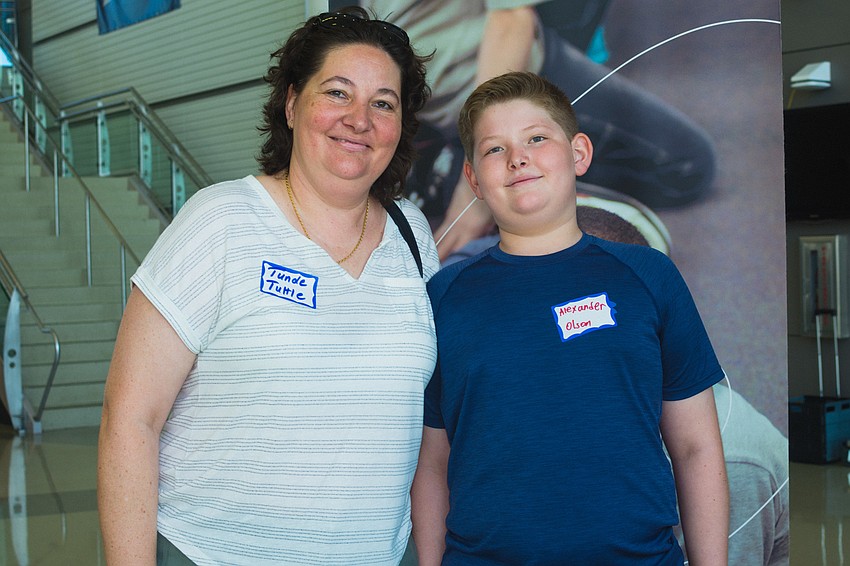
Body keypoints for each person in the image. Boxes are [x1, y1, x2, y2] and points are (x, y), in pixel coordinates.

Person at [98, 7, 439, 565]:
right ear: (291, 102)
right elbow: (130, 418)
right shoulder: (221, 222)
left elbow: (424, 431)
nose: (360, 119)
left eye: (383, 103)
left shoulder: (412, 235)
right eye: (337, 93)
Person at [412, 71, 728, 564]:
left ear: (579, 153)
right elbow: (432, 464)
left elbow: (696, 448)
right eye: (494, 149)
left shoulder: (649, 275)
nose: (518, 158)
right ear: (472, 178)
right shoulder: (443, 296)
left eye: (537, 138)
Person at [348, 0, 716, 260]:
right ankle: (453, 163)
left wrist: (477, 191)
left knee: (688, 163)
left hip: (513, 70)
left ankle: (456, 164)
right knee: (688, 164)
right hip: (429, 97)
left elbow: (512, 17)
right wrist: (479, 190)